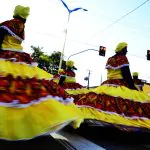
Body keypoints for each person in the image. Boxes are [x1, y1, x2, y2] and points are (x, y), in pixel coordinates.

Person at [0, 5, 82, 143]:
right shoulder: (21, 28)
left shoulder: (7, 25)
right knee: (28, 91)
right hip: (20, 60)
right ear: (24, 17)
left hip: (7, 58)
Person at [75, 42, 150, 132]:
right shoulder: (122, 58)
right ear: (122, 49)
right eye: (126, 49)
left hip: (108, 83)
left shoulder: (110, 59)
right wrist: (132, 87)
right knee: (131, 102)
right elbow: (126, 74)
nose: (127, 51)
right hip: (120, 83)